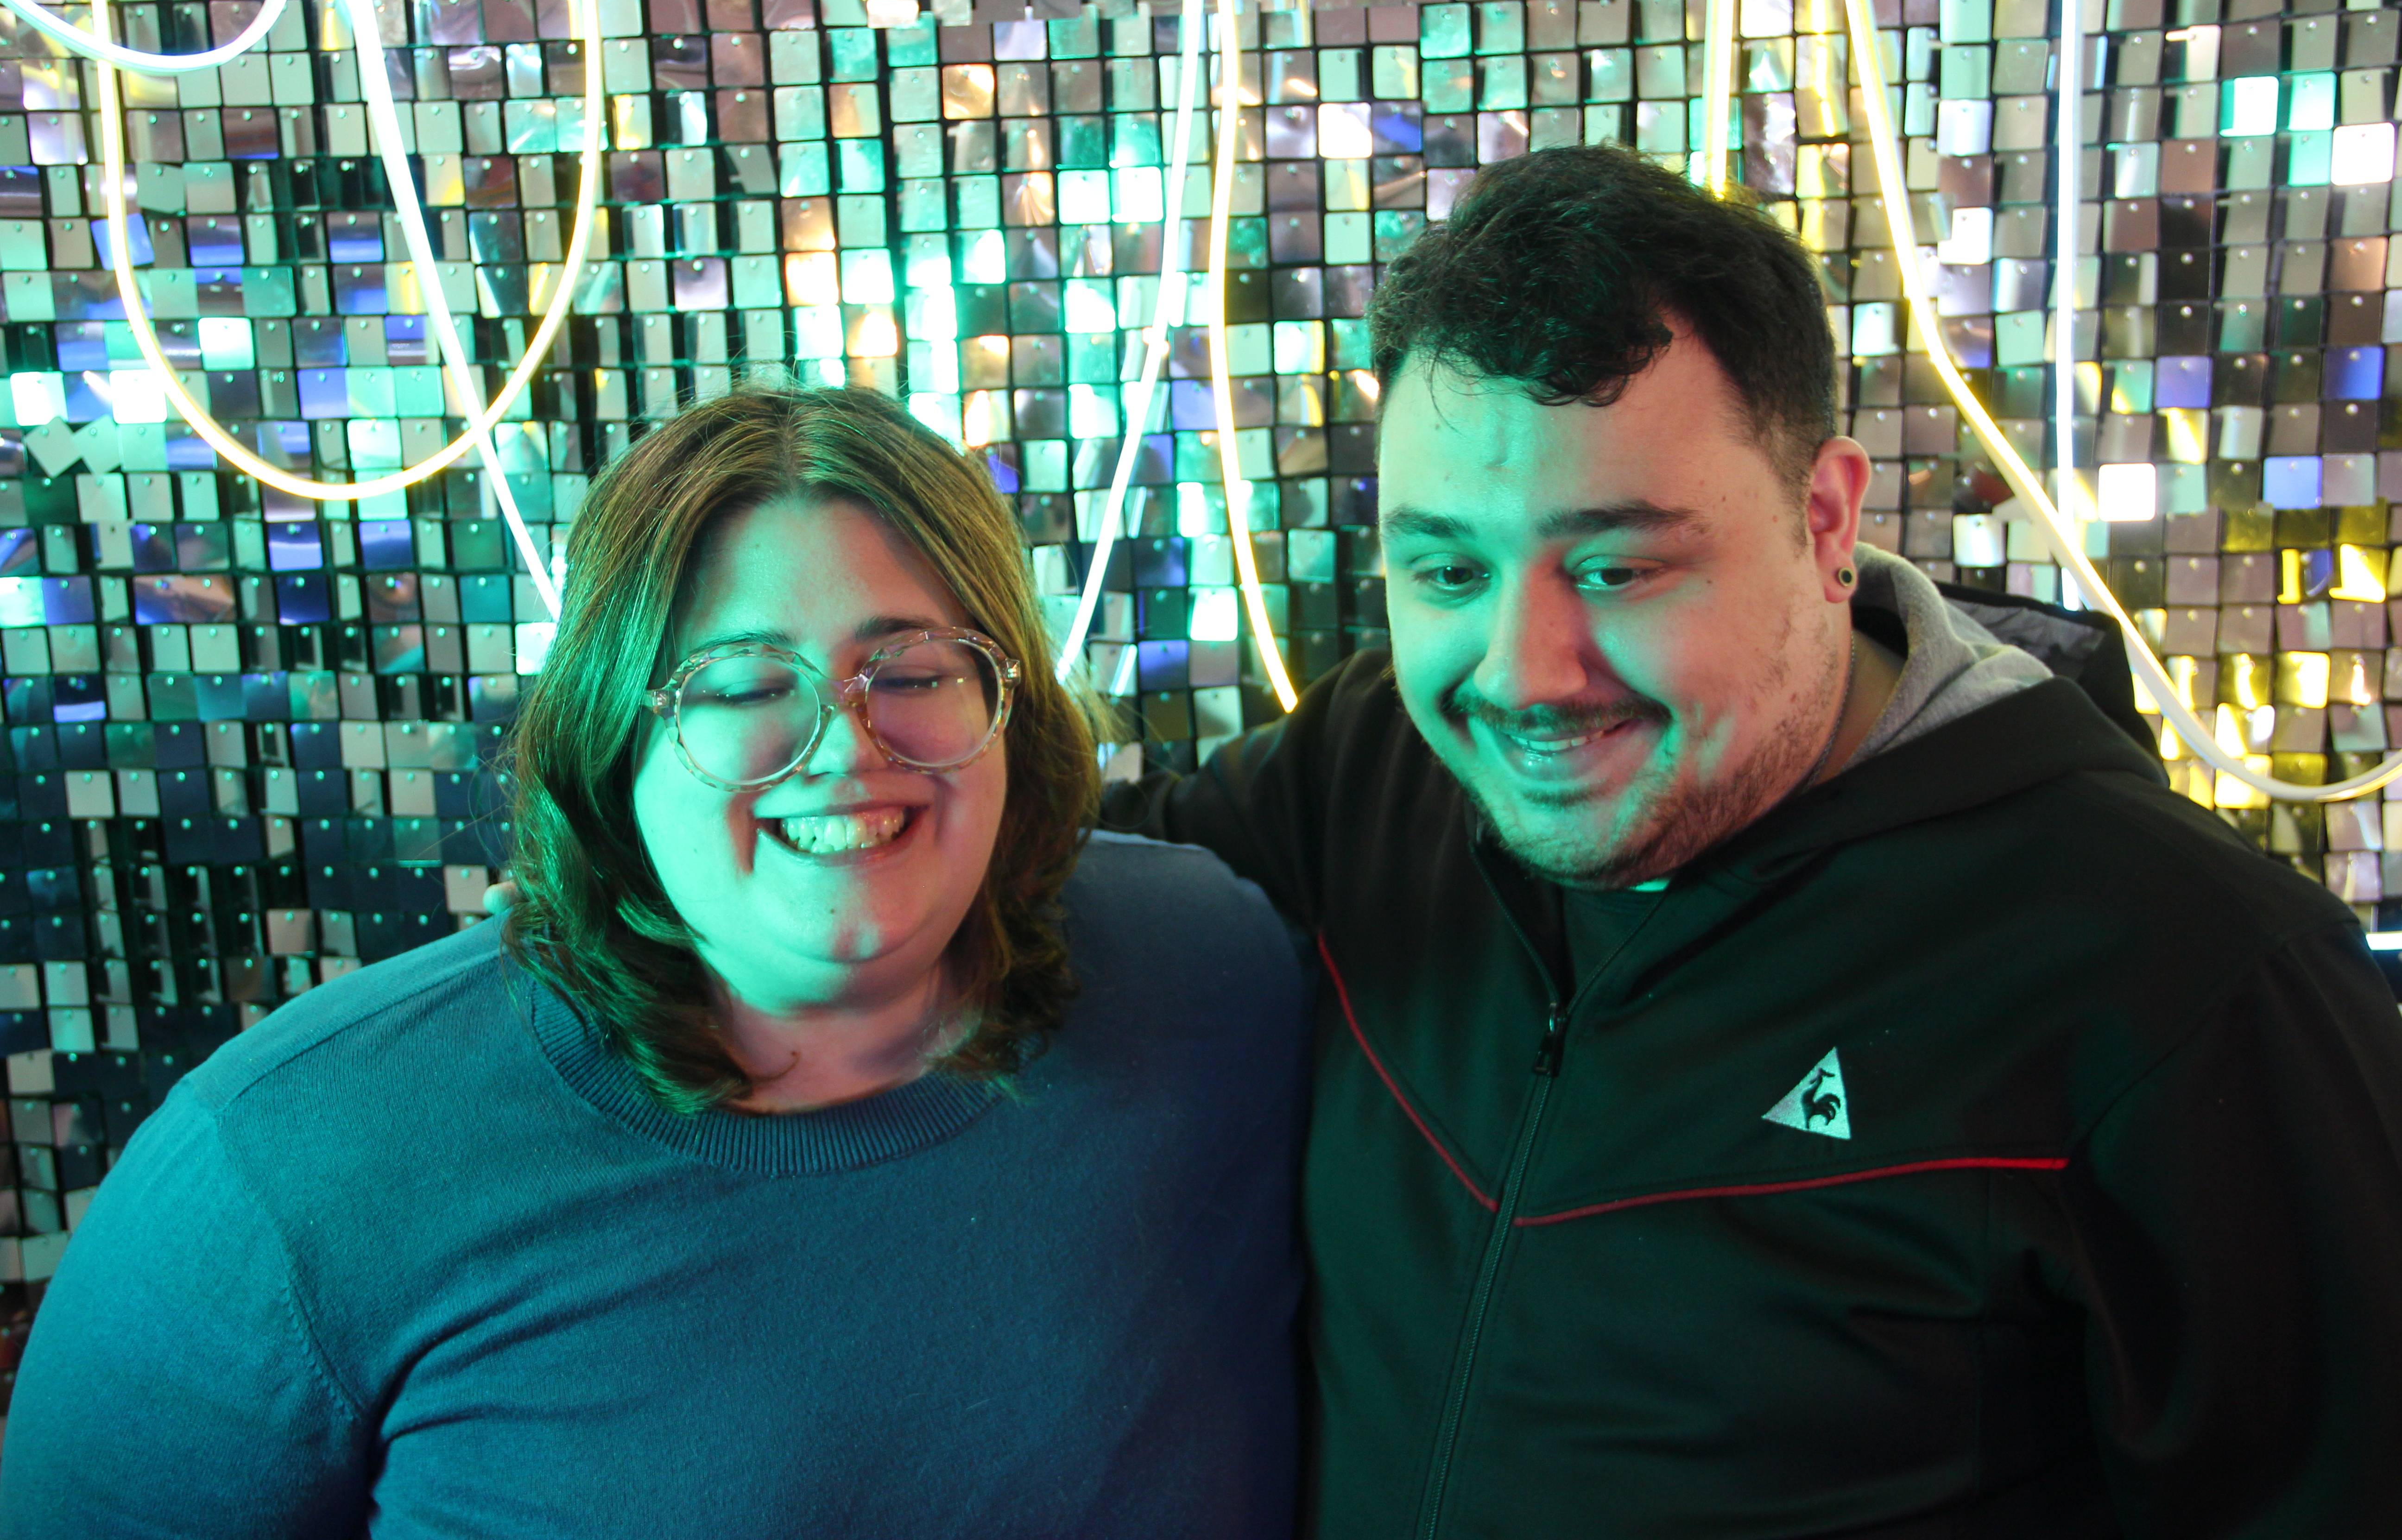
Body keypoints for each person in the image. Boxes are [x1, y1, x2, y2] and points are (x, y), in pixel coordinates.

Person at [1105, 145, 2402, 1535]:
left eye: (1618, 568)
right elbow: (1051, 904)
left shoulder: (2195, 983)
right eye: (1450, 571)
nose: (1524, 673)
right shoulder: (1374, 767)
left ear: (1825, 519)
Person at [1, 385, 1310, 1539]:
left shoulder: (1215, 972)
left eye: (914, 669)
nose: (846, 748)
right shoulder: (283, 1176)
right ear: (611, 741)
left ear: (1009, 705)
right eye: (741, 685)